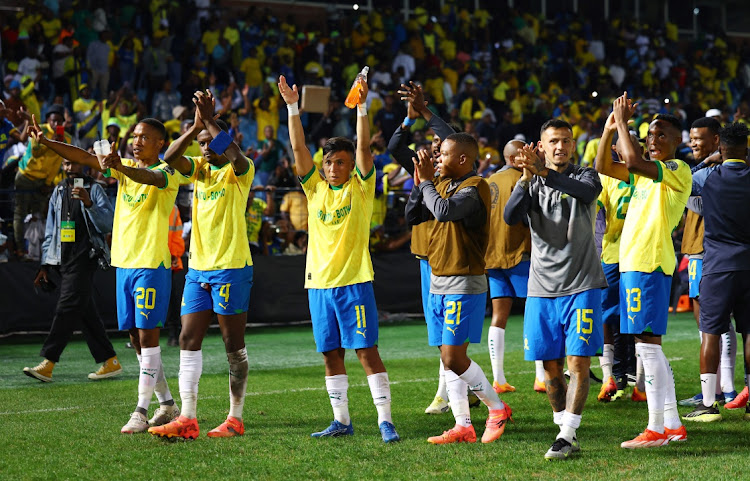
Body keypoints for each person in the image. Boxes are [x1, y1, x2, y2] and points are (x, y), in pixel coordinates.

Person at [28, 115, 186, 434]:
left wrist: (119, 166)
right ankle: (167, 404)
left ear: (160, 143)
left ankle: (141, 411)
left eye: (144, 137)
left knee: (147, 337)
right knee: (135, 340)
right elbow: (83, 156)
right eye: (135, 136)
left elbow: (147, 178)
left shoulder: (168, 171)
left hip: (149, 265)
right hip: (124, 264)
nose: (136, 140)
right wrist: (45, 142)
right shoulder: (123, 164)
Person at [278, 74, 400, 443]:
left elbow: (365, 148)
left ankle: (385, 421)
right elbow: (299, 151)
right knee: (330, 354)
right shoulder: (314, 189)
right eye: (329, 162)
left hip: (353, 283)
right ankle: (342, 421)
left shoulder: (361, 189)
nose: (334, 168)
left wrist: (362, 106)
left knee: (365, 352)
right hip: (319, 285)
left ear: (350, 166)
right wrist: (292, 108)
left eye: (341, 163)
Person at [148, 90, 254, 439]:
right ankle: (189, 417)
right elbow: (169, 155)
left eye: (210, 142)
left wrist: (209, 119)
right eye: (203, 143)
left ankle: (234, 418)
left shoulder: (241, 170)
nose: (205, 148)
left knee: (231, 344)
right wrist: (195, 128)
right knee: (187, 337)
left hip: (232, 267)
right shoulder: (200, 169)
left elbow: (235, 155)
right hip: (199, 269)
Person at [505, 118, 606, 460]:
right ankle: (564, 428)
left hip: (582, 283)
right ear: (541, 146)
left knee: (577, 362)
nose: (560, 147)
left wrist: (543, 173)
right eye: (553, 142)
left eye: (565, 141)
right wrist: (525, 177)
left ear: (573, 145)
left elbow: (587, 193)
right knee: (550, 369)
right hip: (541, 288)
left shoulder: (585, 176)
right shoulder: (531, 182)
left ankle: (567, 434)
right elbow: (509, 216)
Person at [595, 93, 689, 448]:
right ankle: (672, 425)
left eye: (662, 134)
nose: (654, 139)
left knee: (647, 348)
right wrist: (608, 130)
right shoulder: (643, 177)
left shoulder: (677, 170)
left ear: (677, 142)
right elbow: (605, 166)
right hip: (634, 263)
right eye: (650, 134)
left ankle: (655, 429)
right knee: (649, 347)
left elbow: (631, 160)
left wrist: (622, 122)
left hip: (649, 264)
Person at [407, 132, 512, 445]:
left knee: (454, 358)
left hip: (463, 282)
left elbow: (444, 211)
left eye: (445, 154)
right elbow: (414, 215)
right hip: (438, 281)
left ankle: (497, 407)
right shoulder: (439, 184)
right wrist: (419, 183)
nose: (438, 159)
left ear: (463, 159)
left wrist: (426, 183)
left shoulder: (476, 186)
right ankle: (462, 425)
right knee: (446, 358)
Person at [22, 159, 120, 382]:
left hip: (87, 256)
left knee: (66, 307)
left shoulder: (95, 189)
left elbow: (108, 224)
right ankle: (110, 360)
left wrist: (89, 204)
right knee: (85, 311)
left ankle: (48, 362)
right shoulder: (58, 190)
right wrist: (46, 263)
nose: (69, 168)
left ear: (83, 166)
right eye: (66, 164)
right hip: (63, 257)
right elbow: (51, 229)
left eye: (74, 164)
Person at [682, 122, 750, 422]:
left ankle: (708, 404)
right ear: (746, 147)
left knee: (710, 333)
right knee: (749, 332)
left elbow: (685, 188)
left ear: (720, 146)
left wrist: (707, 161)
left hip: (717, 266)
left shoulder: (708, 176)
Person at [593, 129, 644, 402]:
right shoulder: (609, 176)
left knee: (633, 319)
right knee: (610, 317)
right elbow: (596, 211)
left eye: (634, 143)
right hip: (615, 254)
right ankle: (611, 376)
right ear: (616, 149)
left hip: (635, 255)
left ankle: (636, 380)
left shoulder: (646, 172)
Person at [484, 140, 531, 394]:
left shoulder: (488, 180)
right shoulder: (522, 179)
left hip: (492, 256)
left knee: (498, 315)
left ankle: (499, 378)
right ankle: (542, 376)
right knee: (534, 311)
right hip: (519, 252)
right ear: (514, 159)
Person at [15, 105, 70, 258]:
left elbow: (57, 162)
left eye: (60, 122)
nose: (56, 124)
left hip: (42, 181)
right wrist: (49, 142)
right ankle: (19, 250)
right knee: (20, 214)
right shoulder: (40, 130)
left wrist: (48, 183)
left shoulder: (66, 138)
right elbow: (36, 152)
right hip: (25, 176)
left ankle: (38, 252)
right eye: (54, 121)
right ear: (48, 120)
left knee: (39, 215)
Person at [166, 204, 185, 347]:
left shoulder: (173, 208)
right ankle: (173, 334)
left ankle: (174, 334)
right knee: (170, 297)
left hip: (164, 259)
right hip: (150, 258)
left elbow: (176, 234)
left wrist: (174, 254)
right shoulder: (173, 207)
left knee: (170, 298)